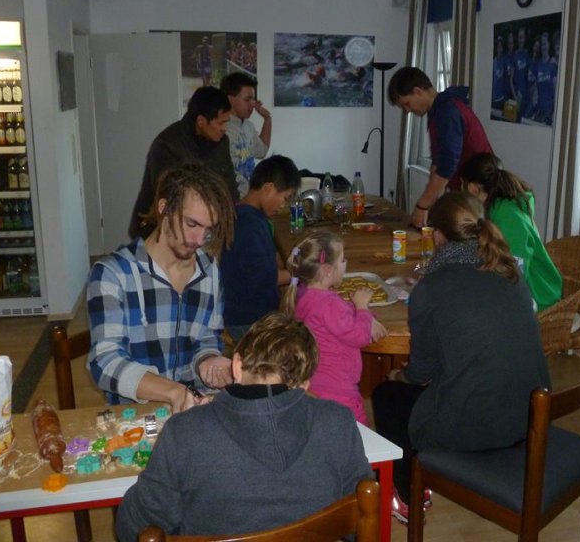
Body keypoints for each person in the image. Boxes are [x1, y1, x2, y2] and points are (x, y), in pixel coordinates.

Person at [371, 191, 551, 524]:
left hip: (477, 426)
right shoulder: (509, 270)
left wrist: (398, 376)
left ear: (438, 235)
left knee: (386, 395)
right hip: (530, 417)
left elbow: (420, 372)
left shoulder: (432, 287)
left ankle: (408, 495)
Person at [114, 313, 373, 541]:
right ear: (305, 383)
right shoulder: (338, 421)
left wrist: (192, 427)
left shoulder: (184, 432)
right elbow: (361, 519)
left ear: (237, 365)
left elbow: (134, 530)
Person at [89, 164, 236, 412]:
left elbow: (208, 337)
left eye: (208, 230)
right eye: (192, 224)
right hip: (135, 416)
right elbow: (104, 363)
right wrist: (173, 391)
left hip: (194, 409)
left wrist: (209, 362)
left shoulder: (209, 270)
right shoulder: (113, 274)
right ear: (163, 208)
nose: (199, 241)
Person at [282, 231, 388, 424]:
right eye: (342, 260)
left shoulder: (306, 294)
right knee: (356, 437)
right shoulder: (329, 303)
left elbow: (343, 318)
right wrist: (363, 307)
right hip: (339, 389)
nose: (345, 263)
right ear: (328, 270)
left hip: (316, 381)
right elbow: (359, 336)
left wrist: (368, 319)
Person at [388, 66, 493, 228]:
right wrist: (430, 205)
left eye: (406, 104)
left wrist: (422, 205)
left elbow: (447, 165)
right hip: (467, 192)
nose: (407, 111)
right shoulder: (437, 110)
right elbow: (437, 163)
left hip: (481, 193)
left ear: (418, 91)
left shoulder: (447, 111)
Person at [128, 86, 239, 240]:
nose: (224, 129)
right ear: (201, 121)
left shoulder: (221, 142)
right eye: (220, 123)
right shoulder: (167, 145)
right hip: (160, 228)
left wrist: (232, 219)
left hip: (203, 225)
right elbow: (170, 199)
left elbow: (229, 186)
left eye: (226, 123)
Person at [461, 152, 562, 311]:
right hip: (526, 290)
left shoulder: (508, 218)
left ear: (472, 188)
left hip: (540, 298)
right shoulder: (497, 208)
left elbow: (515, 275)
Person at [221, 155, 300, 341]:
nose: (283, 205)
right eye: (285, 198)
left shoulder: (244, 214)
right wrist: (301, 274)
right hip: (247, 318)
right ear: (268, 188)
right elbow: (266, 277)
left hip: (247, 312)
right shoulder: (249, 226)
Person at [220, 72, 272, 197]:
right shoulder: (221, 128)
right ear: (230, 99)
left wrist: (267, 119)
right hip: (230, 199)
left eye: (253, 99)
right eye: (247, 99)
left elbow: (262, 151)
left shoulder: (248, 126)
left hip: (249, 197)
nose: (252, 104)